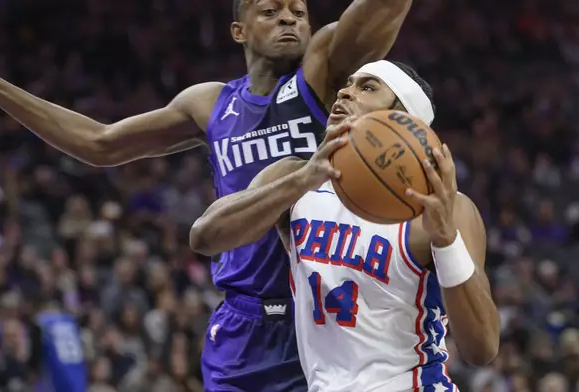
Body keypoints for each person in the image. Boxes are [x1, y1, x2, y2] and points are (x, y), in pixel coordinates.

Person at [0, 0, 413, 389]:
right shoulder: (208, 104)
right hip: (245, 326)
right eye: (270, 11)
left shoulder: (324, 74)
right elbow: (100, 143)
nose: (289, 18)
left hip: (329, 317)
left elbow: (382, 11)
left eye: (298, 11)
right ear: (238, 30)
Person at [190, 60, 501, 391]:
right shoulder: (295, 178)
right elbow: (205, 237)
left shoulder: (445, 208)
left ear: (403, 120)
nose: (344, 91)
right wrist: (302, 180)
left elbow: (481, 348)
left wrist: (446, 240)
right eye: (348, 82)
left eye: (367, 87)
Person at [28, 293, 87, 392]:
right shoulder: (71, 322)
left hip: (56, 376)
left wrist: (32, 371)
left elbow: (35, 355)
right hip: (78, 377)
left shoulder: (41, 323)